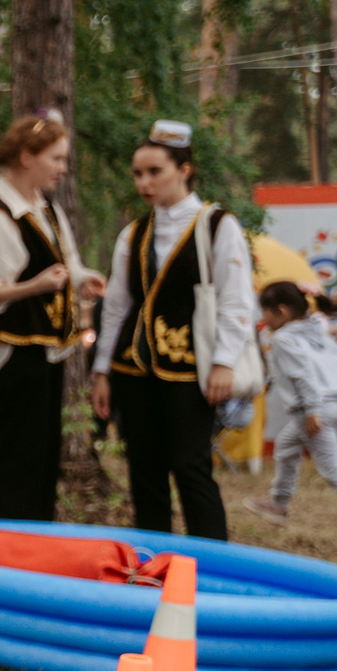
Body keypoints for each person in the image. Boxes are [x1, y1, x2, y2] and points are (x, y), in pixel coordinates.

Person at [90, 119, 251, 540]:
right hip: (133, 369)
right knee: (144, 470)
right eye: (138, 174)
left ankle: (213, 570)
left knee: (191, 466)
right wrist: (102, 370)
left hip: (190, 369)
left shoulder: (218, 226)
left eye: (154, 171)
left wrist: (223, 362)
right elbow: (116, 307)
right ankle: (151, 566)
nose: (145, 182)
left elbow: (236, 300)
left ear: (184, 169)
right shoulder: (133, 234)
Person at [0, 113, 104, 521]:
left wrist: (84, 280)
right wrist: (33, 287)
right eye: (56, 159)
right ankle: (2, 538)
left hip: (47, 350)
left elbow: (67, 263)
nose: (62, 168)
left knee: (42, 451)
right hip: (13, 350)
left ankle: (35, 535)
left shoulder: (46, 208)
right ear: (27, 157)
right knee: (13, 451)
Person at [244, 282, 337, 522]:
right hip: (331, 402)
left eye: (266, 312)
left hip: (313, 409)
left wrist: (312, 411)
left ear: (281, 311)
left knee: (334, 466)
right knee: (286, 445)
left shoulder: (282, 339)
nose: (264, 318)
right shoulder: (315, 331)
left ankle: (278, 503)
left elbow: (303, 376)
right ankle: (278, 503)